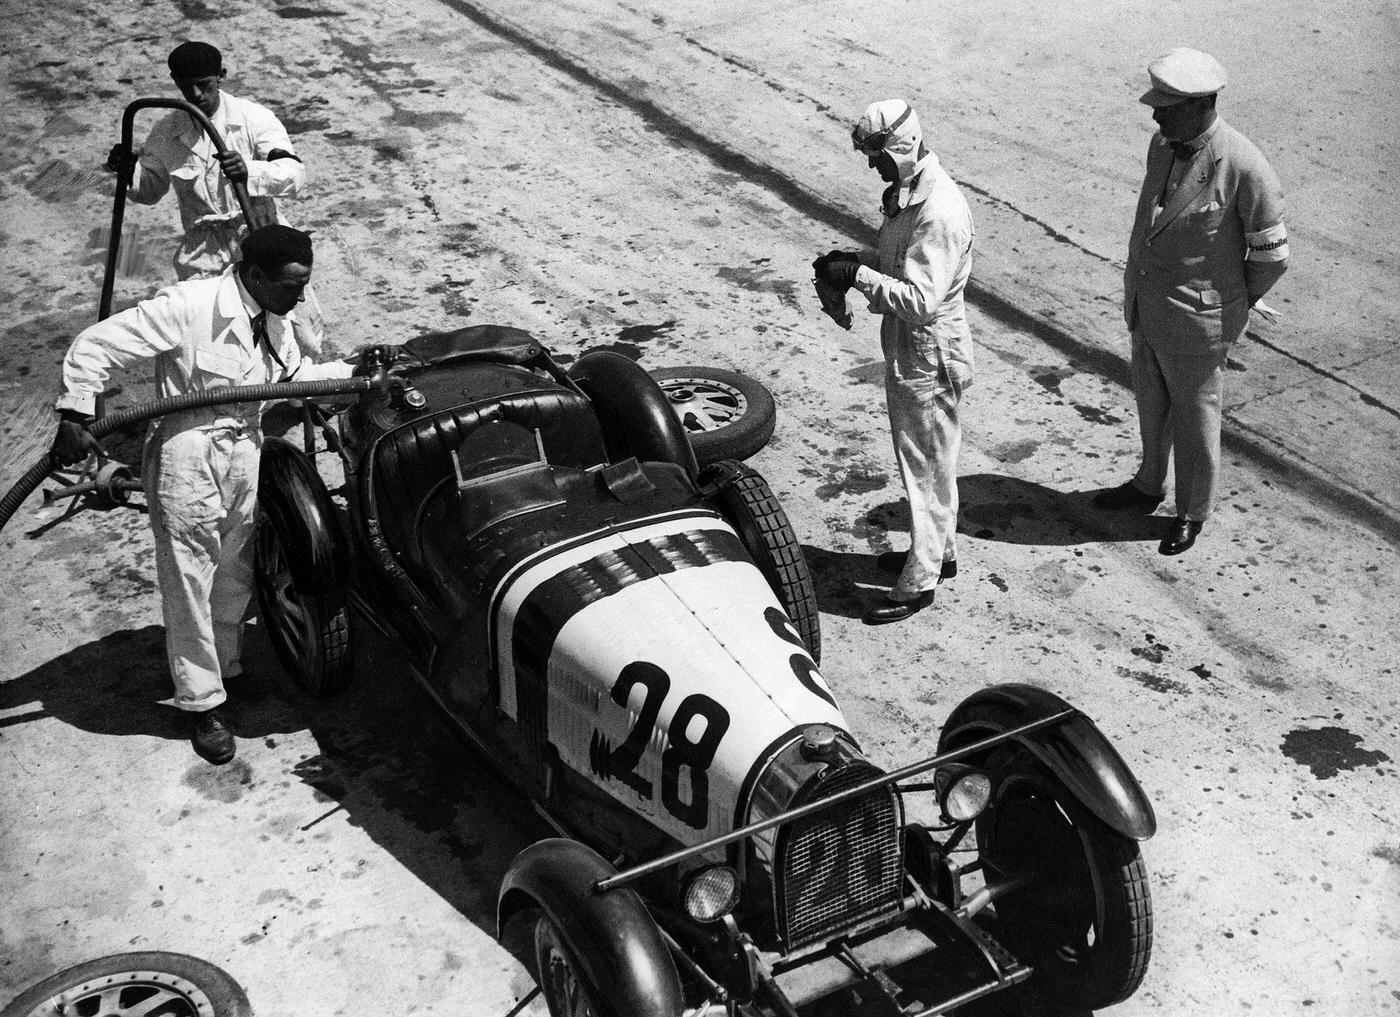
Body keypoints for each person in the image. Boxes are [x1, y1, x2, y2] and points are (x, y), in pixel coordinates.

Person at [52, 225, 355, 765]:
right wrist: (76, 414)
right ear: (256, 275)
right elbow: (95, 344)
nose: (301, 296)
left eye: (306, 283)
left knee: (234, 572)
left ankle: (228, 673)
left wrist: (357, 371)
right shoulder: (188, 305)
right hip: (187, 457)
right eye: (292, 284)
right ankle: (201, 706)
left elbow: (293, 377)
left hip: (244, 453)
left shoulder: (275, 317)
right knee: (190, 582)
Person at [1097, 47, 1289, 555]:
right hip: (1148, 305)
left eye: (1167, 106)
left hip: (1200, 322)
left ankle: (1191, 511)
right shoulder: (1164, 145)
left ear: (1202, 104)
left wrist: (1230, 303)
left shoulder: (1245, 165)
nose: (1156, 114)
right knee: (1151, 404)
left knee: (1195, 418)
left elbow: (1271, 257)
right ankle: (1146, 484)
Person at [814, 100, 975, 624]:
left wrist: (858, 278)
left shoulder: (940, 211)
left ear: (901, 148)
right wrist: (856, 261)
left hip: (929, 352)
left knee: (922, 468)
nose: (871, 166)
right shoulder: (910, 195)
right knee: (935, 460)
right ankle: (938, 552)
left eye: (876, 155)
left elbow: (921, 301)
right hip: (918, 350)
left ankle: (919, 581)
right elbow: (897, 263)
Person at [105, 42, 321, 349]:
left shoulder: (252, 118)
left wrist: (250, 171)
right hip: (203, 249)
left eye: (203, 85)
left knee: (293, 328)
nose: (195, 95)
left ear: (221, 75)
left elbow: (293, 173)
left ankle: (304, 390)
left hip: (259, 233)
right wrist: (129, 171)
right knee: (209, 332)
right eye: (186, 87)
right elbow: (150, 190)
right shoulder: (167, 131)